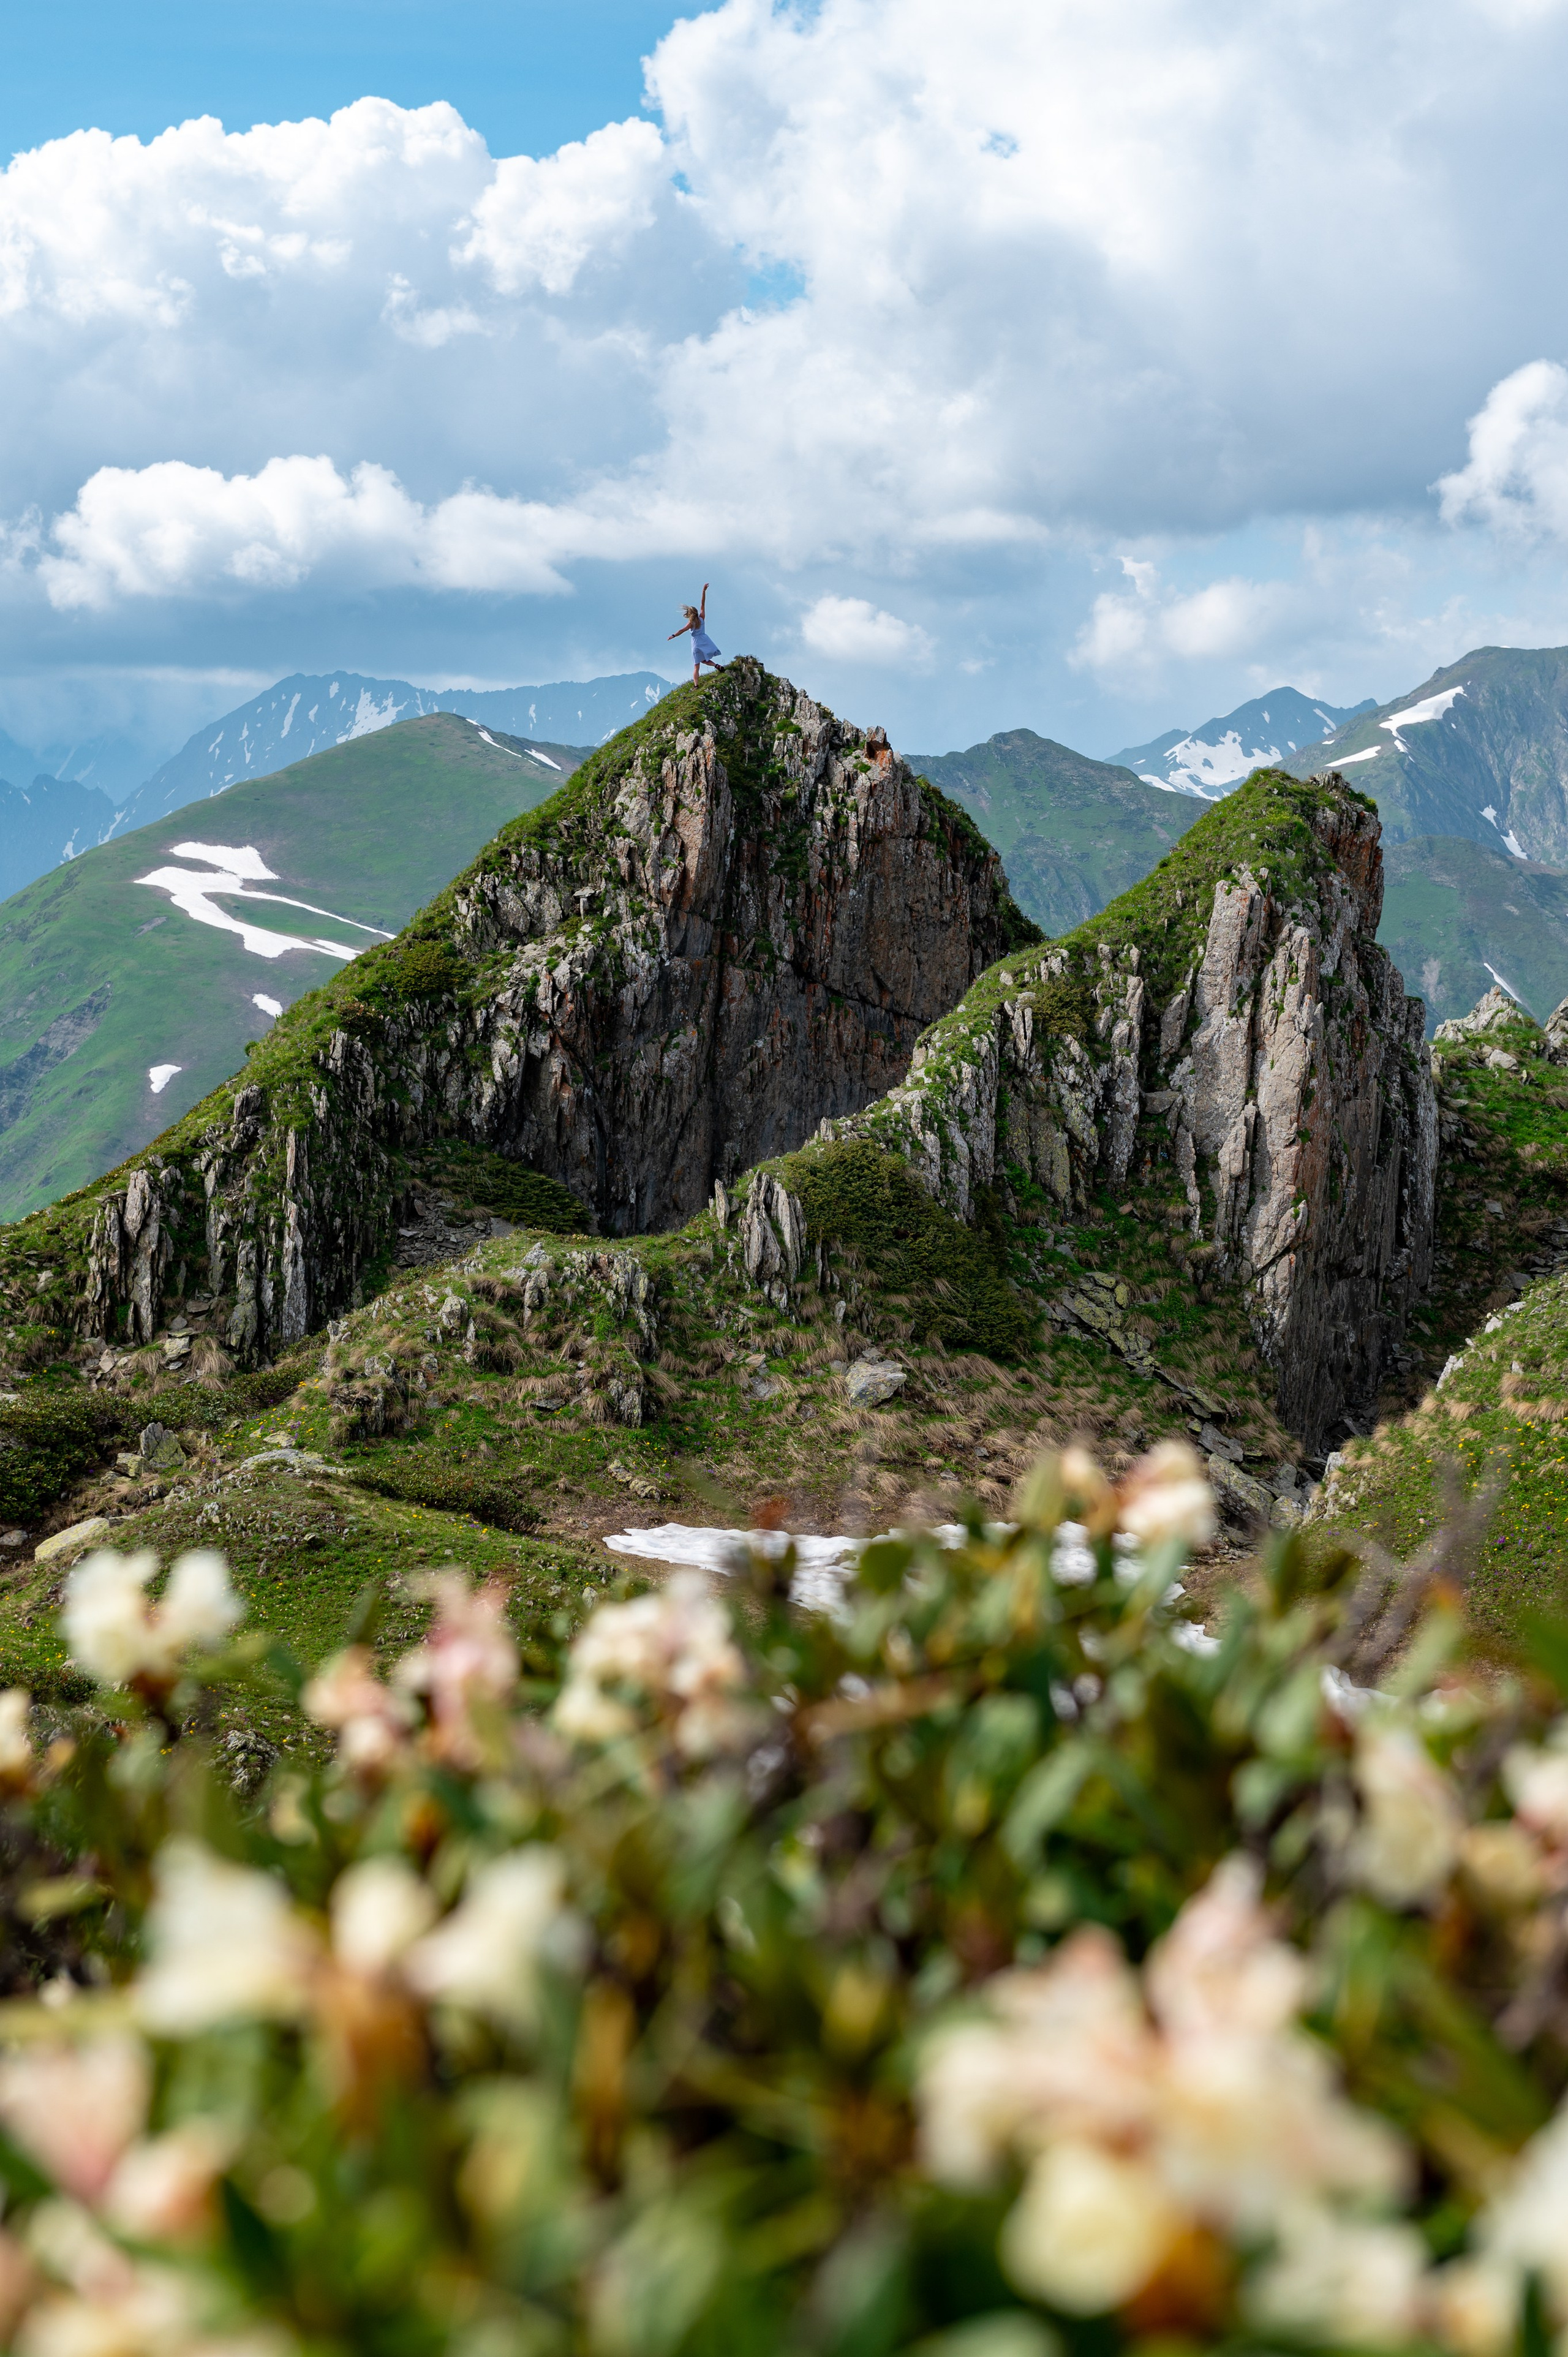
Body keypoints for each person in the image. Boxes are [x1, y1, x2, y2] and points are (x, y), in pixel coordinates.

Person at [669, 584, 724, 680]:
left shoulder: (691, 623)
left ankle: (696, 686)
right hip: (705, 639)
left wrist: (674, 635)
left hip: (696, 642)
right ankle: (716, 666)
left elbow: (682, 630)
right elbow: (703, 604)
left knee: (696, 666)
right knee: (704, 659)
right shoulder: (702, 618)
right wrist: (704, 591)